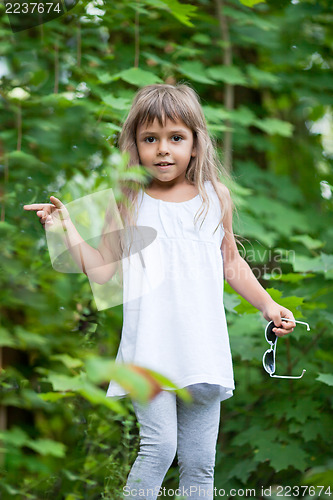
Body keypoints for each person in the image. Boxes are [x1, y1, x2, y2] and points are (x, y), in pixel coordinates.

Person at [24, 83, 296, 500]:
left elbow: (232, 263)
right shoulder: (129, 201)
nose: (163, 150)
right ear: (135, 145)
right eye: (151, 139)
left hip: (201, 347)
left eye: (175, 138)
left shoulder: (214, 197)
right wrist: (66, 230)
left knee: (201, 462)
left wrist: (269, 305)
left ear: (195, 143)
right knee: (160, 447)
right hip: (149, 351)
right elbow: (101, 271)